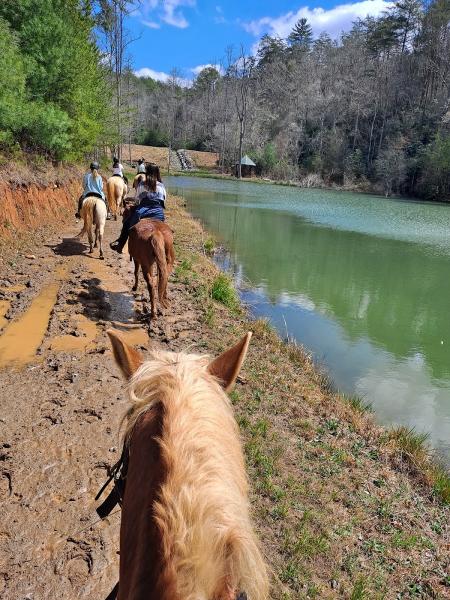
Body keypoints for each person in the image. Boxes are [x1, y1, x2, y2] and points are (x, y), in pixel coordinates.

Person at [110, 163, 166, 254]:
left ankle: (120, 244)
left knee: (127, 224)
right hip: (158, 212)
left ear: (147, 172)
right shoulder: (161, 185)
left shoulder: (142, 184)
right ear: (157, 173)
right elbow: (163, 200)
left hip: (143, 211)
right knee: (164, 228)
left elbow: (137, 200)